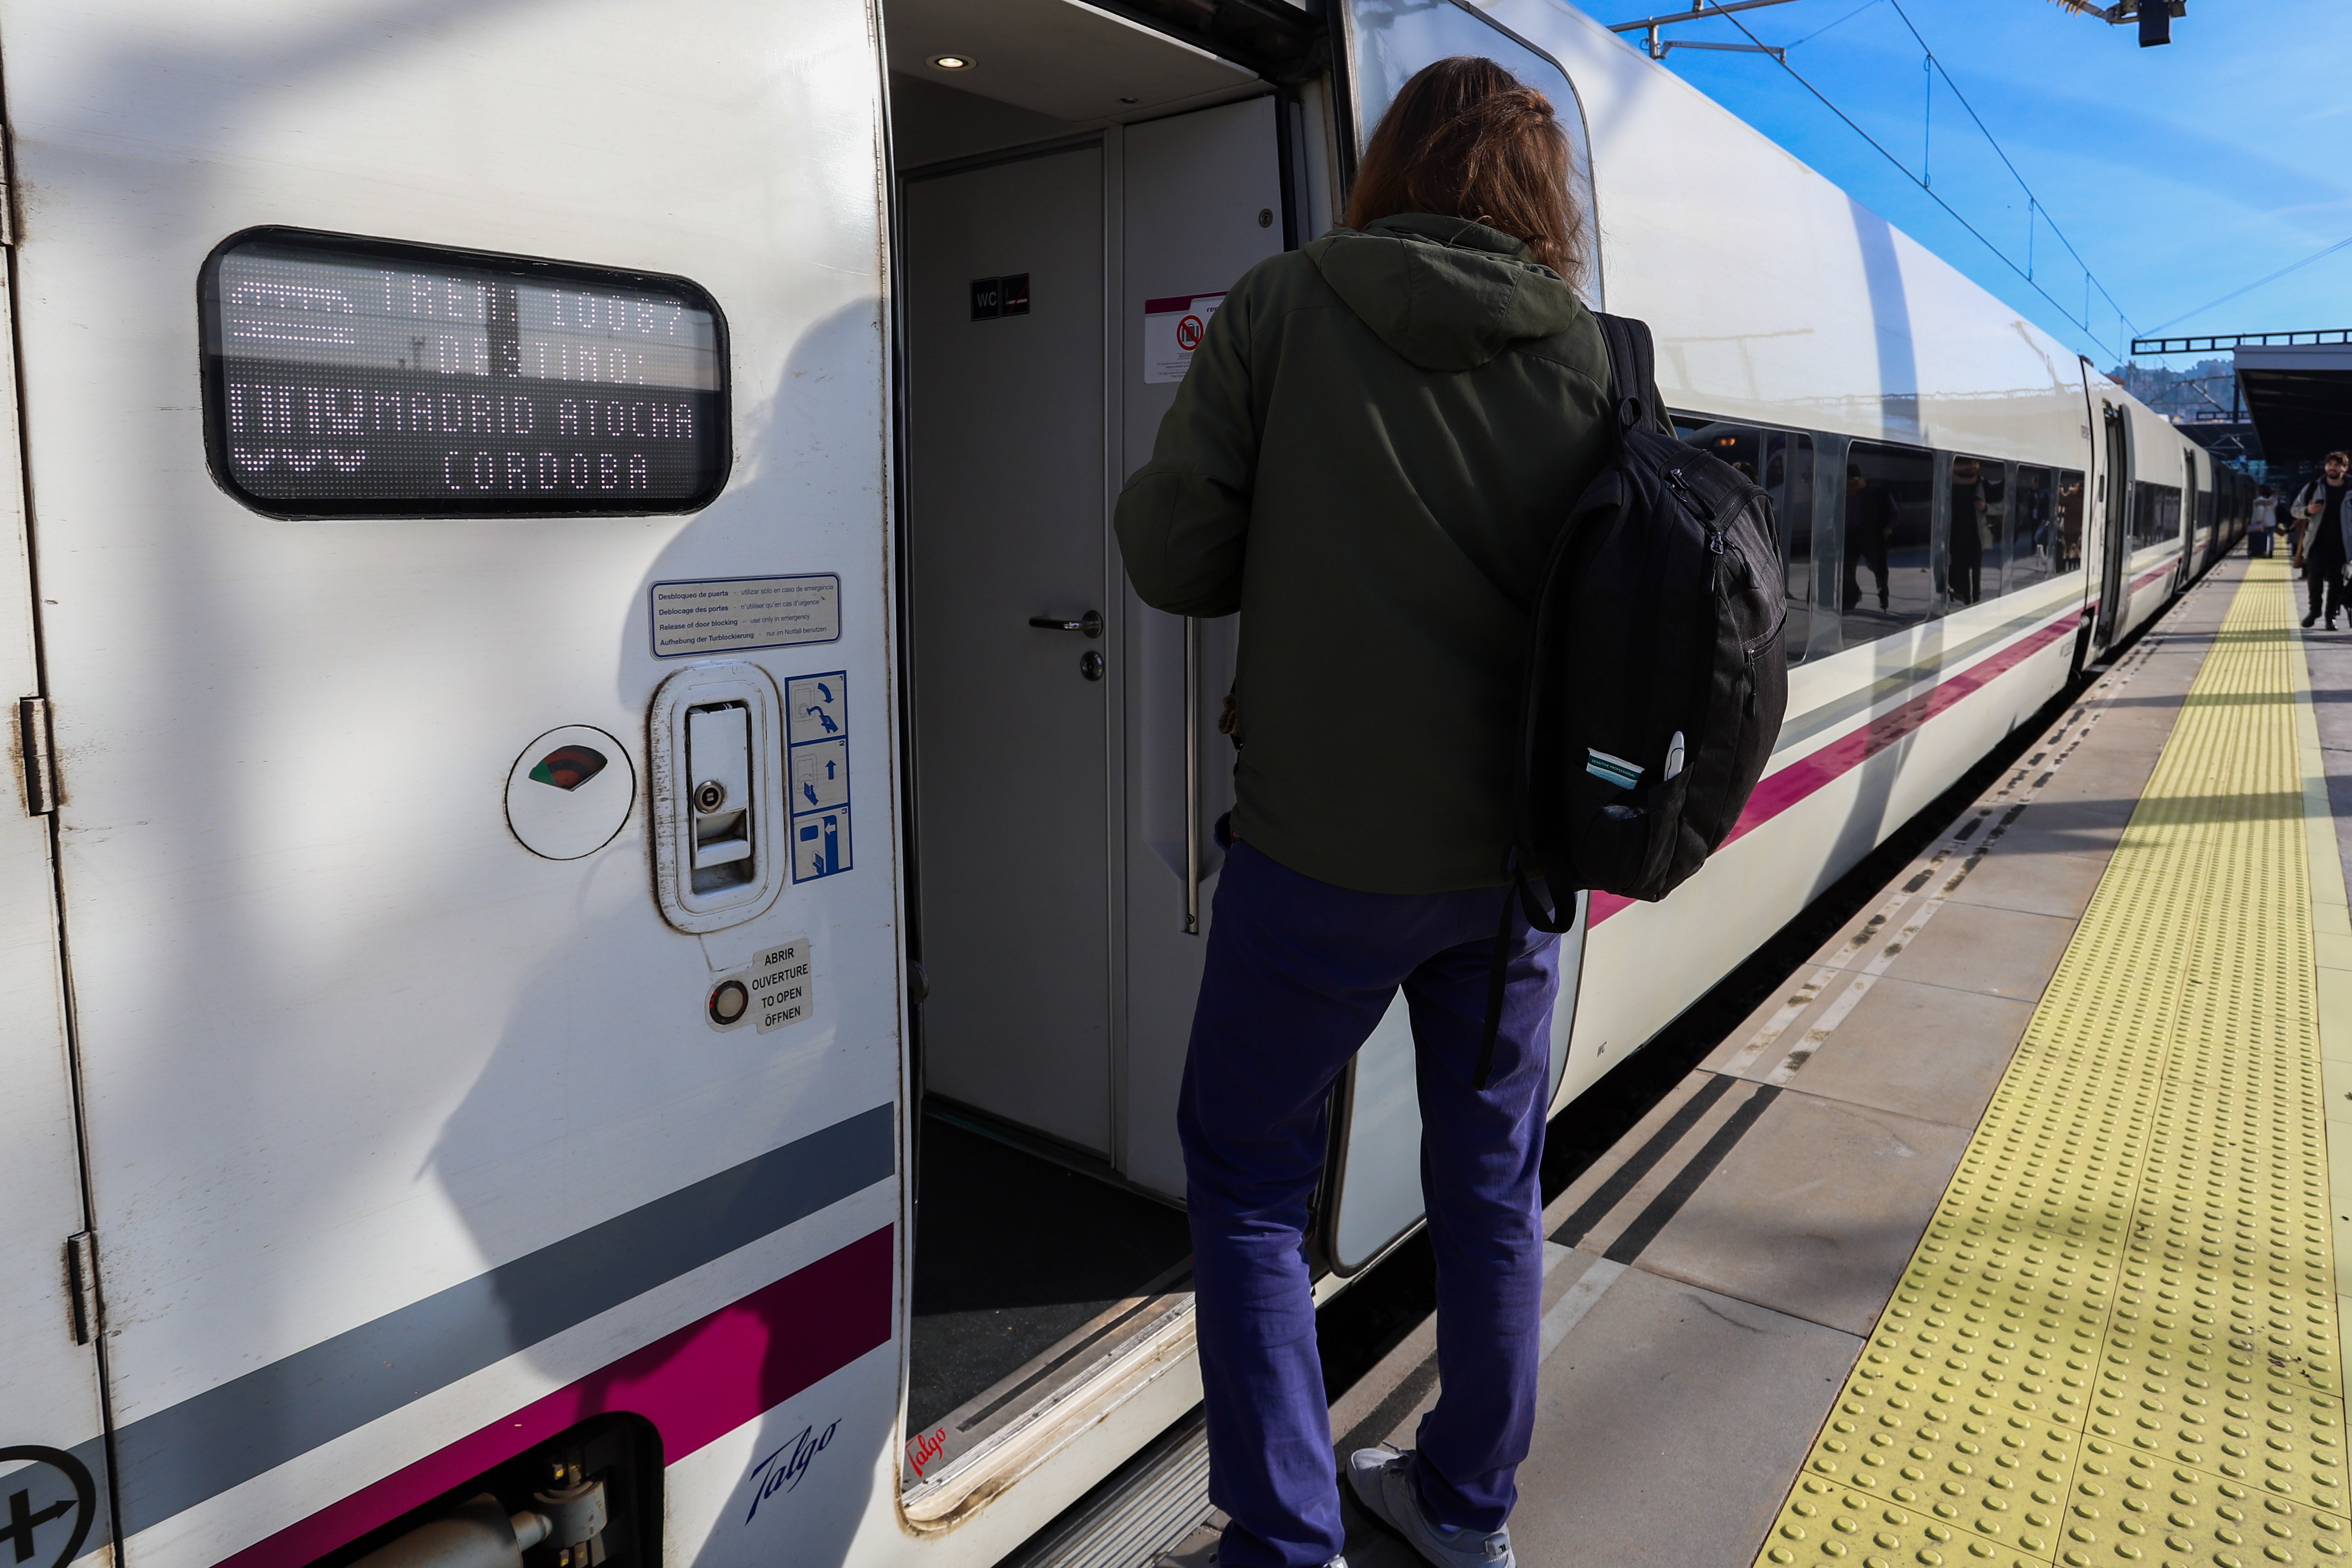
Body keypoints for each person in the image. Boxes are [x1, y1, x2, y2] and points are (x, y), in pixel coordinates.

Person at [1113, 56, 1611, 1568]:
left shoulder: (1284, 306)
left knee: (1253, 1186)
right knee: (1491, 1188)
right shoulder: (1592, 355)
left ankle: (1289, 1540)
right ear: (1541, 195)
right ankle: (1465, 1509)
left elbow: (1170, 558)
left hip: (1315, 858)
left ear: (1391, 161)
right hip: (1514, 870)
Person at [2293, 451, 2351, 629]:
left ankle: (2330, 617)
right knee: (2314, 576)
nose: (2331, 468)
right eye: (2329, 464)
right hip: (2317, 542)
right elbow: (2295, 510)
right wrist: (2308, 511)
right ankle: (2315, 610)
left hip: (2343, 544)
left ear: (2345, 468)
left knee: (2337, 582)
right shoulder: (2313, 487)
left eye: (2336, 465)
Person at [1842, 464, 1897, 613]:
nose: (1850, 488)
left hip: (1872, 536)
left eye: (1853, 483)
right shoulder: (1841, 495)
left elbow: (1894, 513)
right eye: (1847, 484)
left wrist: (1888, 528)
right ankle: (1850, 598)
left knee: (1879, 569)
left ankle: (1883, 597)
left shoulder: (1878, 493)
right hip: (1849, 536)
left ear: (1861, 481)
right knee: (1847, 568)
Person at [1947, 456, 1988, 604]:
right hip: (1957, 535)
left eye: (1976, 463)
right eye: (1970, 464)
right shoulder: (1950, 482)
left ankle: (1976, 599)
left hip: (1976, 536)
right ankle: (1967, 601)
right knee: (1963, 570)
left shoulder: (1982, 483)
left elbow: (2005, 505)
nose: (1973, 466)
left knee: (1976, 571)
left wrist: (1985, 508)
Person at [2251, 485, 2276, 558]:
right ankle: (2270, 551)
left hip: (2263, 522)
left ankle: (2262, 551)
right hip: (2272, 522)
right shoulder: (2272, 501)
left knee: (2261, 537)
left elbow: (2260, 510)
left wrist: (2259, 521)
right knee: (2271, 537)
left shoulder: (2259, 500)